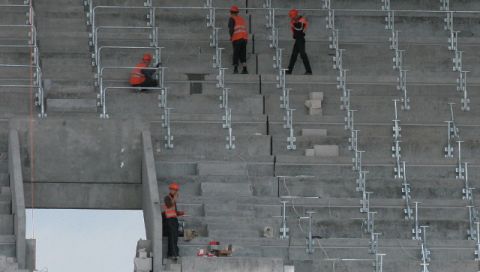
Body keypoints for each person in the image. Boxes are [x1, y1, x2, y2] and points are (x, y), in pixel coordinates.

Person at [162, 182, 185, 260]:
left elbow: (173, 211)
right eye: (172, 189)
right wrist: (175, 198)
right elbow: (169, 205)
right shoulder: (167, 198)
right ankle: (172, 254)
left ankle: (174, 253)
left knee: (175, 237)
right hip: (169, 220)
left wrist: (180, 213)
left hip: (174, 220)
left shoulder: (173, 199)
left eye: (175, 190)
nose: (173, 191)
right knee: (172, 237)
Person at [287, 9, 312, 75]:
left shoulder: (302, 20)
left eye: (293, 16)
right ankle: (289, 71)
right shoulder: (294, 21)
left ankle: (309, 71)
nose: (292, 18)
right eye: (292, 17)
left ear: (296, 15)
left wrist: (297, 22)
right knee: (294, 55)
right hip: (297, 39)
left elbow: (300, 29)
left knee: (303, 54)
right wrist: (296, 22)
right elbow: (295, 31)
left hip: (300, 39)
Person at [228, 5, 248, 74]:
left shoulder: (231, 18)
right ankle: (245, 69)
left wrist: (231, 37)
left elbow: (231, 29)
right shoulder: (241, 19)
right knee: (243, 53)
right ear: (237, 12)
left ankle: (235, 69)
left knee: (236, 53)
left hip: (237, 38)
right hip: (244, 38)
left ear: (231, 12)